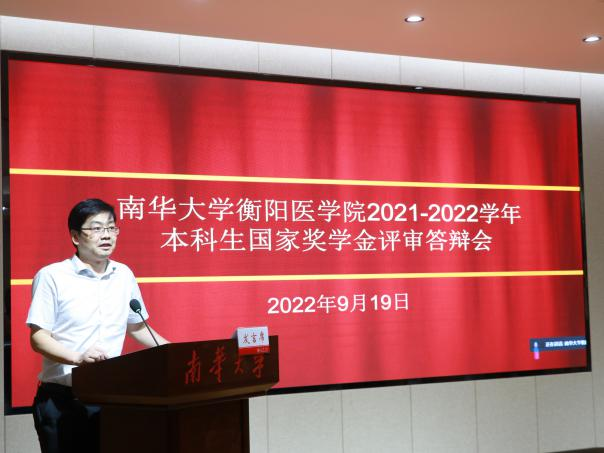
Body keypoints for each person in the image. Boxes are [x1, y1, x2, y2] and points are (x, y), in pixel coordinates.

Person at [26, 198, 169, 453]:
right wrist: (78, 358)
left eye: (111, 227)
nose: (106, 235)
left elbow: (137, 328)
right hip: (63, 400)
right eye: (96, 228)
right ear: (75, 237)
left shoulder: (123, 274)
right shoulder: (52, 276)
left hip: (110, 398)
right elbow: (39, 338)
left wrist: (173, 352)